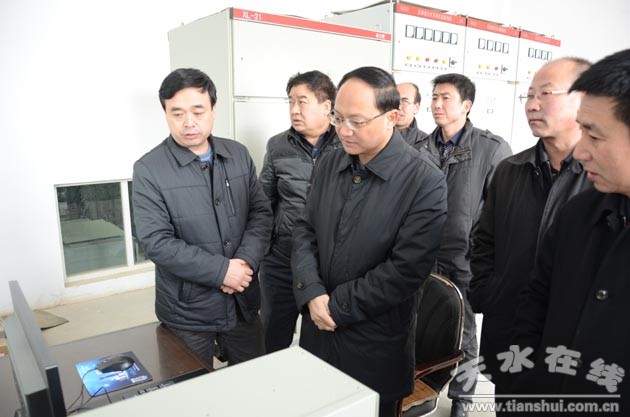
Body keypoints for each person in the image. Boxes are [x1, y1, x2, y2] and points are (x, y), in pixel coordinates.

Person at [291, 66, 447, 417]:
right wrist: (311, 291)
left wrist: (336, 307)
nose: (343, 130)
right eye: (338, 118)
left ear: (392, 116)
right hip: (318, 334)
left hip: (374, 345)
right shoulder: (330, 162)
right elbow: (305, 230)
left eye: (357, 121)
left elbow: (406, 270)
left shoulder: (425, 181)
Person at [510, 49, 630, 416]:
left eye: (594, 135)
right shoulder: (579, 213)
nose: (580, 151)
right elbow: (535, 303)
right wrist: (525, 384)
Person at [468, 57, 592, 410]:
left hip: (574, 344)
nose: (532, 105)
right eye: (529, 95)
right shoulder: (511, 170)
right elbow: (484, 241)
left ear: (583, 99)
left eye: (545, 94)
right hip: (510, 332)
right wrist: (489, 293)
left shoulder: (603, 176)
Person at [132, 68, 272, 368]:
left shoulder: (237, 154)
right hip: (188, 312)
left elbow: (260, 213)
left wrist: (244, 262)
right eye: (177, 113)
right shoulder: (149, 169)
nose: (189, 122)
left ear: (213, 110)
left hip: (243, 300)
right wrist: (222, 272)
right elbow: (156, 242)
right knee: (190, 388)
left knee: (254, 381)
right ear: (165, 114)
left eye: (198, 111)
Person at [416, 73, 512, 417]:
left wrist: (483, 257)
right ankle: (423, 390)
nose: (437, 104)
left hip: (464, 259)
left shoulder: (491, 148)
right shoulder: (420, 148)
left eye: (446, 98)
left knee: (465, 334)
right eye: (434, 97)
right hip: (422, 256)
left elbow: (502, 211)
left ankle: (462, 400)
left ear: (466, 105)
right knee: (420, 325)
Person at [258, 70, 340, 353]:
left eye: (302, 102)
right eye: (291, 101)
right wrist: (265, 251)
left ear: (326, 106)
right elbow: (263, 202)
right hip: (282, 260)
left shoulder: (347, 145)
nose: (294, 109)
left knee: (319, 340)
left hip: (326, 264)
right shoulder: (277, 145)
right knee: (272, 337)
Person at [396, 82, 429, 146]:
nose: (398, 107)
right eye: (395, 100)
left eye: (405, 101)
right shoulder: (377, 136)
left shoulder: (427, 144)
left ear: (416, 107)